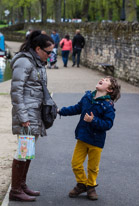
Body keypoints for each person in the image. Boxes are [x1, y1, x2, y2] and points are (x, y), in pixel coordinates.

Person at [58, 76, 121, 200]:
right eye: (103, 78)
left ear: (110, 90)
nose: (103, 79)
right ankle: (82, 184)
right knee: (75, 163)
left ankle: (91, 186)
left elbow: (108, 124)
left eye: (107, 80)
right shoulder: (87, 97)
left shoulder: (108, 106)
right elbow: (76, 108)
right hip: (82, 137)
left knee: (92, 167)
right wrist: (60, 111)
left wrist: (94, 120)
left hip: (96, 142)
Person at [9, 30, 54, 202]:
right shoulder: (24, 63)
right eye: (48, 52)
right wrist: (23, 117)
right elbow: (16, 92)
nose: (50, 56)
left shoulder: (37, 63)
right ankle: (15, 189)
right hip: (26, 114)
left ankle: (21, 185)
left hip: (34, 113)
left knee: (28, 151)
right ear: (37, 49)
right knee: (23, 151)